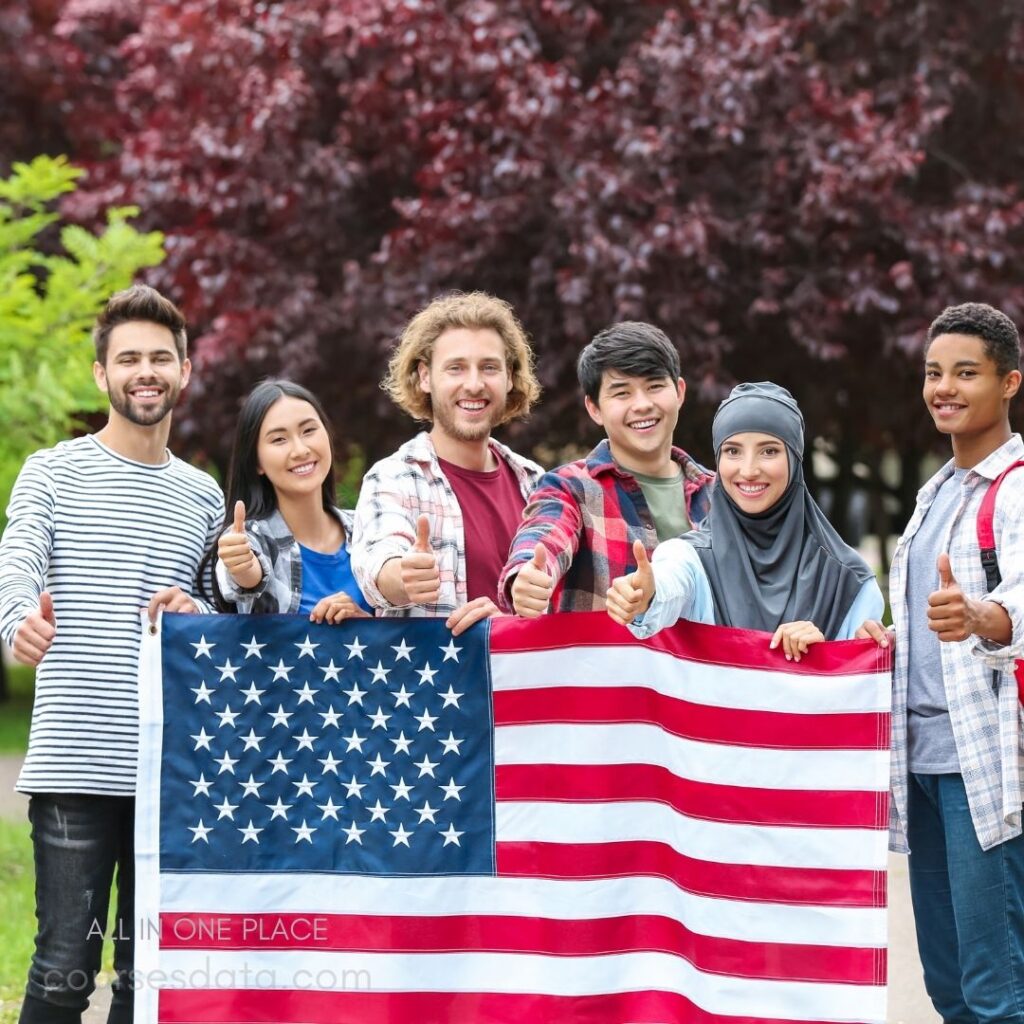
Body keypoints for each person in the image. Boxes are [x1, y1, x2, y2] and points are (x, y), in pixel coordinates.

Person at [0, 285, 224, 1023]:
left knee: (145, 975)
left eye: (161, 357)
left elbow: (217, 609)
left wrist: (201, 609)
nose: (145, 370)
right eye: (128, 358)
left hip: (168, 773)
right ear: (102, 374)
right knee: (65, 965)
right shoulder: (52, 471)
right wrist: (15, 624)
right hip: (74, 764)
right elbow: (19, 558)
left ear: (185, 370)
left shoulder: (203, 497)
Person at [858, 303, 1024, 1021]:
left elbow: (1011, 604)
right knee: (950, 987)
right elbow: (925, 628)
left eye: (966, 373)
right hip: (922, 762)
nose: (944, 389)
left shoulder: (1015, 488)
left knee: (997, 990)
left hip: (984, 765)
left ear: (1009, 382)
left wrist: (985, 617)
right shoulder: (936, 493)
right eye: (933, 373)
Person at [607, 381, 883, 654]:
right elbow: (671, 584)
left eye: (769, 451)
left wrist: (825, 658)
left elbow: (859, 684)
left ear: (795, 459)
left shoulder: (849, 581)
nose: (748, 470)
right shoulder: (692, 559)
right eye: (733, 451)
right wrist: (649, 595)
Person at [351, 291, 543, 634]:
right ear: (425, 377)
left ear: (510, 377)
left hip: (525, 684)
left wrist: (522, 615)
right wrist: (403, 576)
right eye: (456, 368)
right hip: (436, 686)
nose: (473, 384)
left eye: (489, 367)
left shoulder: (537, 485)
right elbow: (377, 563)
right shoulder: (393, 478)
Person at [499, 321, 713, 616]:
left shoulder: (720, 494)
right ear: (594, 408)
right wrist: (528, 576)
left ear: (679, 392)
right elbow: (545, 533)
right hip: (607, 661)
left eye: (654, 386)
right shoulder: (570, 488)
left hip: (704, 662)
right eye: (622, 393)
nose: (642, 405)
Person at [199, 378, 372, 621]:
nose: (300, 450)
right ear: (256, 461)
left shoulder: (370, 531)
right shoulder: (251, 539)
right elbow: (244, 577)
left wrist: (367, 628)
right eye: (279, 439)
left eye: (309, 430)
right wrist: (242, 565)